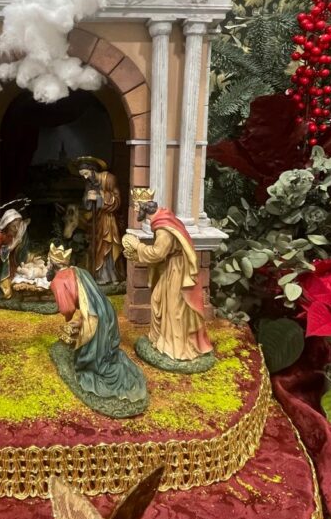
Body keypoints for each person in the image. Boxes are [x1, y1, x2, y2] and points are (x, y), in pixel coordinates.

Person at [47, 243, 146, 405]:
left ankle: (93, 364)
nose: (47, 265)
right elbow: (87, 296)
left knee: (91, 360)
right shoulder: (79, 271)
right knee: (103, 349)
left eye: (48, 262)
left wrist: (70, 320)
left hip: (94, 318)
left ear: (52, 264)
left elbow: (67, 308)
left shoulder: (58, 281)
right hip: (106, 310)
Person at [122, 189, 213, 361]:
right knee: (158, 299)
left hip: (177, 270)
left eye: (136, 206)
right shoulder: (164, 217)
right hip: (172, 267)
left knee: (174, 307)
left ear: (143, 208)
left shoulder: (163, 228)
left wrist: (137, 246)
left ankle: (175, 347)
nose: (135, 210)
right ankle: (159, 337)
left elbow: (157, 253)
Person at [75, 156, 124, 285]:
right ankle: (100, 276)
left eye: (86, 173)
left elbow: (117, 199)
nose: (85, 177)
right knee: (97, 248)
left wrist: (99, 197)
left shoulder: (109, 179)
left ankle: (113, 276)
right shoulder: (89, 183)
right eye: (82, 175)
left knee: (108, 245)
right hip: (96, 220)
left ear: (93, 170)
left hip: (108, 220)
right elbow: (86, 203)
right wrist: (88, 199)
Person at [0, 206, 30, 298]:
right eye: (13, 226)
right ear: (7, 224)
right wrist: (12, 246)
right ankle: (0, 289)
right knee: (6, 287)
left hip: (12, 263)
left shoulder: (14, 233)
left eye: (18, 225)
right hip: (1, 265)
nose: (16, 228)